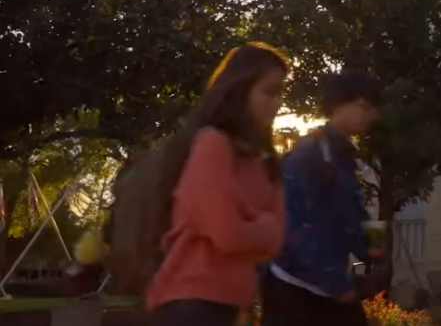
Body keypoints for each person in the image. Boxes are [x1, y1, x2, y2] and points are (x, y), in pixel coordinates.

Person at [109, 42, 289, 326]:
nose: (277, 103)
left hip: (231, 303)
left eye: (281, 93)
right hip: (189, 300)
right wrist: (261, 225)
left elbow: (277, 238)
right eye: (269, 92)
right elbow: (227, 233)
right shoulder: (213, 144)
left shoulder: (265, 161)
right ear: (240, 92)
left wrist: (252, 227)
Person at [260, 69, 384, 326]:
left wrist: (375, 248)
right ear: (339, 103)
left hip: (327, 286)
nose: (371, 114)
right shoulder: (309, 154)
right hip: (294, 287)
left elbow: (352, 216)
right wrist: (337, 283)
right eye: (364, 105)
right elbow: (297, 227)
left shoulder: (345, 157)